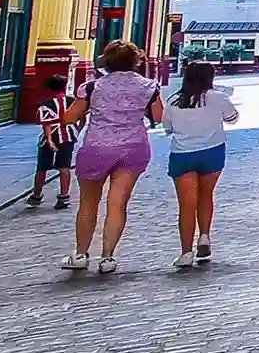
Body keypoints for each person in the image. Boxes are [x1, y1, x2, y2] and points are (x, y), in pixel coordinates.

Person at [59, 41, 162, 274]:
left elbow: (69, 118)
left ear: (106, 61)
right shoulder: (148, 86)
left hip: (97, 147)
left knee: (88, 203)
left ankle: (81, 254)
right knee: (118, 203)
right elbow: (159, 116)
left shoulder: (92, 87)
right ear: (136, 61)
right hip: (133, 147)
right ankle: (107, 258)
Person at [160, 60, 238, 268]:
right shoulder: (218, 98)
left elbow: (167, 127)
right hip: (212, 152)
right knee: (206, 196)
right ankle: (204, 236)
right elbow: (232, 118)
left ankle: (186, 252)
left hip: (183, 154)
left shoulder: (174, 101)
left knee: (186, 205)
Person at [28, 76, 77, 209]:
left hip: (52, 137)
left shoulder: (47, 104)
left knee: (42, 168)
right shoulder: (72, 101)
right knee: (64, 167)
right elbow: (82, 116)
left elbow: (47, 124)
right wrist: (76, 130)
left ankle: (37, 195)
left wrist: (49, 140)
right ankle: (64, 196)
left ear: (49, 88)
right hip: (68, 136)